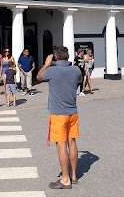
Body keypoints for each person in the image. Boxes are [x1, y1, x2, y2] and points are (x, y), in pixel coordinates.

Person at [37, 46, 83, 189]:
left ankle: (65, 179)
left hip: (58, 113)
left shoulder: (51, 71)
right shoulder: (75, 70)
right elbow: (80, 81)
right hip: (72, 112)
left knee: (61, 146)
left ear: (56, 57)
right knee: (72, 142)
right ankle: (73, 175)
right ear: (68, 56)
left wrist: (46, 64)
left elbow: (39, 77)